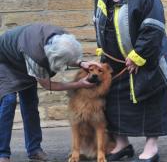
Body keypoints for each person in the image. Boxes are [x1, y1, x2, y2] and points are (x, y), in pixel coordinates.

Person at [88, 0, 167, 162]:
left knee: (151, 100)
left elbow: (153, 28)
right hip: (116, 62)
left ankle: (151, 148)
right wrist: (102, 49)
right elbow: (99, 21)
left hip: (148, 59)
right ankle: (122, 144)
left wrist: (138, 56)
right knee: (113, 102)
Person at [0, 23, 97, 162]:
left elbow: (67, 53)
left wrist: (81, 63)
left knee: (30, 104)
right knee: (8, 101)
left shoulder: (64, 38)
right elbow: (49, 85)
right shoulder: (36, 56)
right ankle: (2, 153)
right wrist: (79, 84)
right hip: (4, 61)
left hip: (23, 59)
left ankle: (34, 149)